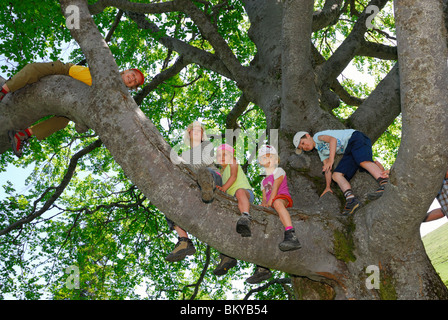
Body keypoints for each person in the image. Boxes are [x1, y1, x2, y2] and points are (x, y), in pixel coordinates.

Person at [1, 60, 145, 157]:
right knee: (35, 68)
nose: (132, 79)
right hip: (64, 71)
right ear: (126, 71)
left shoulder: (114, 96)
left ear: (132, 87)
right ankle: (4, 90)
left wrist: (83, 123)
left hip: (73, 97)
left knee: (63, 121)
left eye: (134, 82)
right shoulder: (108, 71)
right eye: (132, 75)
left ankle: (22, 134)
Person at [293, 129, 389, 215]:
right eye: (301, 148)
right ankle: (351, 200)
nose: (304, 147)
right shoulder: (321, 152)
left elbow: (333, 140)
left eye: (302, 143)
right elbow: (327, 169)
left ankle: (384, 182)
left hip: (355, 138)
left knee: (362, 161)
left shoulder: (317, 137)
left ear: (307, 136)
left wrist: (331, 160)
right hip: (349, 151)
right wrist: (327, 186)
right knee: (336, 175)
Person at [165, 121, 221, 262]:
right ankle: (184, 240)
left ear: (203, 135)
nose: (196, 131)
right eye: (193, 129)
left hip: (211, 177)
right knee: (166, 200)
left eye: (200, 130)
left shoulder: (207, 146)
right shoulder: (184, 154)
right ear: (188, 133)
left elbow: (204, 162)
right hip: (194, 186)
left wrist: (185, 165)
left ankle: (208, 191)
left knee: (204, 172)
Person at [258, 145, 301, 251]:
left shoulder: (278, 171)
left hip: (281, 197)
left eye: (270, 157)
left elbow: (275, 189)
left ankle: (291, 233)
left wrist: (269, 203)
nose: (267, 159)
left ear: (276, 160)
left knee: (277, 203)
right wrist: (264, 204)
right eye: (264, 157)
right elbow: (264, 198)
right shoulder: (263, 182)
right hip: (270, 202)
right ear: (260, 162)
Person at [216, 143, 254, 237]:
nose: (222, 157)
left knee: (239, 192)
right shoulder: (222, 173)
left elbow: (233, 176)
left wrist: (223, 188)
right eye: (219, 155)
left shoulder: (233, 162)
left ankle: (245, 216)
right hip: (234, 198)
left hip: (245, 193)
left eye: (225, 154)